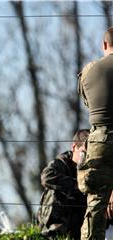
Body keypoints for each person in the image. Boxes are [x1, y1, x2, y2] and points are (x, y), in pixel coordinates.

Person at [77, 26, 113, 240]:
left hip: (99, 140)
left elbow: (87, 103)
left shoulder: (89, 71)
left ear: (104, 45)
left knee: (96, 203)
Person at [37, 129, 89, 239]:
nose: (87, 158)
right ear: (74, 147)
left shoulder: (91, 169)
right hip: (54, 229)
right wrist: (78, 186)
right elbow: (46, 177)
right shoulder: (62, 163)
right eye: (84, 153)